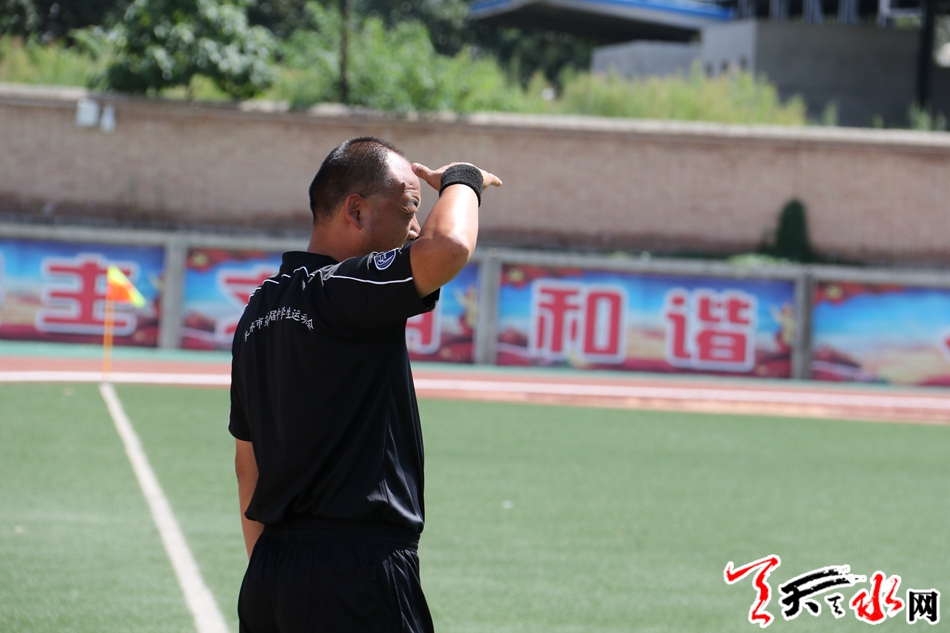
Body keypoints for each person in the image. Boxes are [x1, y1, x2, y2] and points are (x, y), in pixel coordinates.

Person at [229, 136, 501, 633]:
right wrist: (463, 179)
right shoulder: (343, 288)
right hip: (356, 576)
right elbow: (448, 246)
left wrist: (279, 580)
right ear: (355, 210)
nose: (415, 227)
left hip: (271, 574)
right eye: (409, 208)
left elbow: (247, 466)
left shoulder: (257, 312)